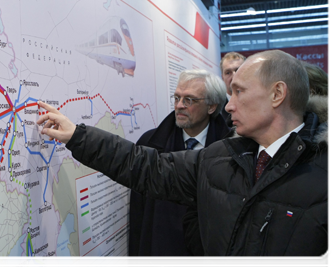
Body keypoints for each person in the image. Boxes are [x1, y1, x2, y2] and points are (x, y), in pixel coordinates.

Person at [37, 50, 332, 266]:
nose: (229, 106)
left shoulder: (326, 176)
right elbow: (146, 166)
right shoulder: (222, 157)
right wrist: (78, 136)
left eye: (239, 92)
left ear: (277, 94)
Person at [129, 69, 230, 267]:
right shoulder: (150, 144)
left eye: (189, 100)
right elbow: (139, 216)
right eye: (177, 98)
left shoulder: (230, 150)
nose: (179, 106)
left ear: (211, 106)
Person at [219, 52, 245, 126]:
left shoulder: (258, 102)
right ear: (222, 77)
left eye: (238, 70)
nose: (234, 76)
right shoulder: (216, 107)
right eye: (228, 73)